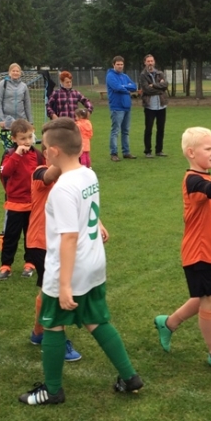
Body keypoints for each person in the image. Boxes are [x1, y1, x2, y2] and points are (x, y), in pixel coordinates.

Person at [19, 118, 143, 405]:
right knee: (95, 319)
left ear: (54, 151)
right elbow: (85, 206)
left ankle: (52, 391)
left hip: (71, 268)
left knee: (51, 324)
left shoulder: (62, 189)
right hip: (94, 261)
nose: (42, 151)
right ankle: (130, 376)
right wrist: (98, 222)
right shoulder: (87, 173)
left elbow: (68, 238)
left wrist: (63, 285)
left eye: (45, 148)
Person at [154, 127, 211, 372]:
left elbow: (208, 211)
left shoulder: (204, 179)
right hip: (199, 252)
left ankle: (169, 323)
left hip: (210, 250)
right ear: (192, 153)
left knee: (207, 294)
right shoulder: (194, 180)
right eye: (208, 149)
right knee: (209, 300)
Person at [27, 117, 81, 363]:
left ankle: (38, 332)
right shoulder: (40, 172)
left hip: (57, 242)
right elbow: (50, 174)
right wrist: (68, 150)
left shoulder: (74, 177)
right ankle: (54, 335)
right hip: (41, 242)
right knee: (53, 291)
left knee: (46, 290)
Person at [0, 119, 43, 281]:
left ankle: (29, 263)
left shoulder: (37, 155)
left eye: (29, 137)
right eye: (23, 138)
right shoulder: (9, 154)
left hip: (34, 205)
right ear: (14, 138)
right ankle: (5, 265)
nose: (27, 141)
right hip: (15, 204)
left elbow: (43, 175)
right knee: (11, 236)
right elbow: (5, 173)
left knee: (31, 236)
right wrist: (16, 155)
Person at [0, 63, 33, 153]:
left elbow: (27, 104)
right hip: (7, 121)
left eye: (17, 71)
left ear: (20, 73)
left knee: (23, 145)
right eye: (13, 71)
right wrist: (1, 119)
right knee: (9, 148)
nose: (15, 73)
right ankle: (9, 164)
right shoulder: (3, 84)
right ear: (9, 72)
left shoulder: (24, 86)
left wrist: (30, 121)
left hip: (21, 120)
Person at [106, 56, 137, 162]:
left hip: (127, 106)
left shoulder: (124, 76)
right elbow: (116, 87)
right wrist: (126, 87)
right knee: (115, 131)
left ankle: (126, 152)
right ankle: (113, 153)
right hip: (116, 107)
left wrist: (124, 87)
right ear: (113, 64)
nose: (120, 66)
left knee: (126, 131)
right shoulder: (110, 76)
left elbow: (134, 87)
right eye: (118, 64)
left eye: (121, 64)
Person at [139, 54, 169, 157]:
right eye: (148, 61)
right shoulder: (143, 75)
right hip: (149, 106)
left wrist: (155, 85)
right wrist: (159, 88)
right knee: (149, 129)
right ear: (145, 63)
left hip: (161, 106)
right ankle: (148, 151)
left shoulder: (160, 73)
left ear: (154, 62)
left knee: (161, 129)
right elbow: (146, 89)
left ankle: (159, 150)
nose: (150, 63)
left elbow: (165, 85)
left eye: (152, 61)